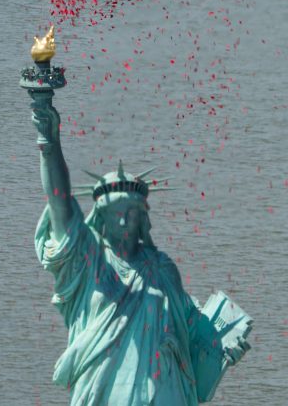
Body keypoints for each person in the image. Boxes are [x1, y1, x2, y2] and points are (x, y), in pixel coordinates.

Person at [31, 102, 251, 404]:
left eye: (131, 212)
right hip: (107, 393)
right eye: (114, 212)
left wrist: (220, 348)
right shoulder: (89, 264)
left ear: (143, 218)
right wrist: (49, 142)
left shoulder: (162, 269)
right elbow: (60, 203)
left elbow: (189, 334)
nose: (123, 220)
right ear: (100, 219)